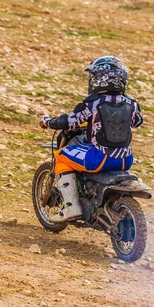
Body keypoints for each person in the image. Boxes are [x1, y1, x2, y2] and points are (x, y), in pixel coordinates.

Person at [40, 56, 143, 223]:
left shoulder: (92, 103)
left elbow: (70, 122)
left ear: (99, 79)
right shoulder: (132, 103)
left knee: (61, 157)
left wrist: (48, 122)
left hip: (100, 159)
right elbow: (137, 121)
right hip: (126, 160)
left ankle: (72, 207)